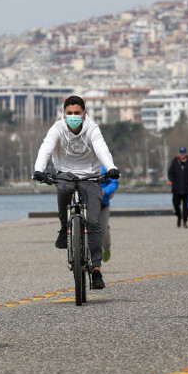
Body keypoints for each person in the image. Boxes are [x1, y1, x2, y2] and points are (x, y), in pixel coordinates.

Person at [33, 95, 120, 290]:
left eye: (77, 113)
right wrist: (38, 170)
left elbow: (101, 149)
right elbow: (45, 148)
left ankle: (96, 269)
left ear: (84, 114)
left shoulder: (92, 128)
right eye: (69, 113)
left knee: (95, 222)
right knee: (63, 190)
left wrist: (111, 167)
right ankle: (65, 229)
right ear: (64, 114)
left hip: (90, 175)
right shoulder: (57, 128)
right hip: (65, 173)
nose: (73, 116)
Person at [167, 147, 188, 227]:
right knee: (176, 205)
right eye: (181, 153)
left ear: (186, 154)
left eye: (183, 153)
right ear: (179, 154)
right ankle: (179, 216)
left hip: (187, 189)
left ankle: (185, 221)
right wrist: (170, 179)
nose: (182, 154)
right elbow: (170, 173)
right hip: (176, 189)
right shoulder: (174, 162)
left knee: (187, 206)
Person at [99, 164, 118, 262]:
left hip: (103, 203)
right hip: (85, 202)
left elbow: (114, 182)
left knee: (103, 230)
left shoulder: (105, 166)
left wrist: (104, 191)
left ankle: (106, 247)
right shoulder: (82, 164)